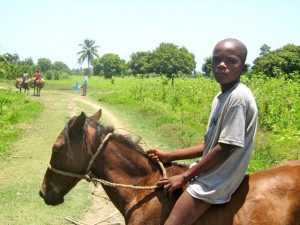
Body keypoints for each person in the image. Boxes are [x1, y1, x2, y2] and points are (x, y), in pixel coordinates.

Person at [147, 38, 258, 225]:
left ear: (243, 68)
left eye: (231, 60)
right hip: (211, 172)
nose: (222, 65)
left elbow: (224, 148)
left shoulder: (238, 97)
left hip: (217, 180)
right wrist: (168, 155)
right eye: (217, 60)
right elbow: (210, 145)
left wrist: (183, 177)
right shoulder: (221, 97)